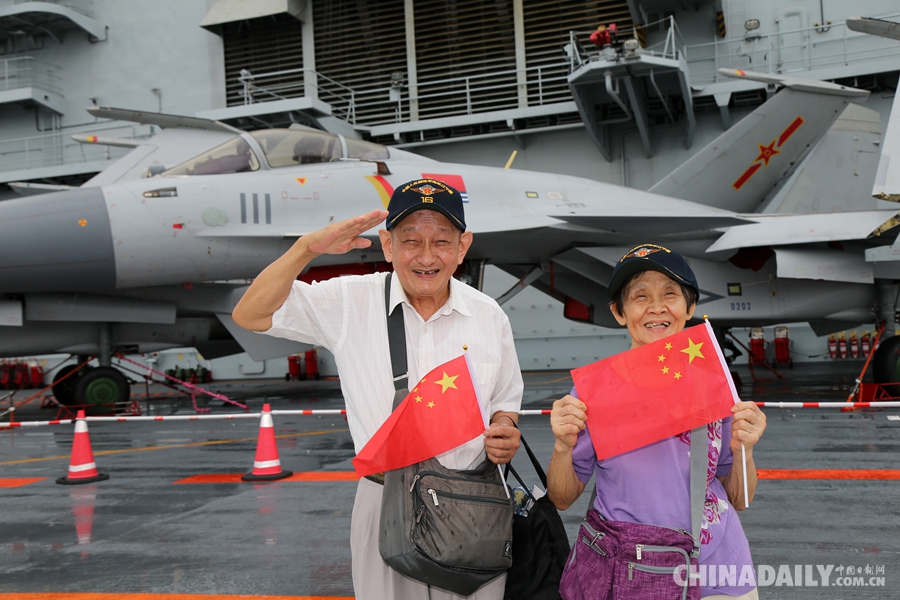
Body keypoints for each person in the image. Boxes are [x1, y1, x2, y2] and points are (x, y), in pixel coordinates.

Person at [232, 178, 523, 600]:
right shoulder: (349, 302)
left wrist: (505, 430)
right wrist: (306, 249)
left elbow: (505, 401)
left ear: (463, 247)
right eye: (411, 241)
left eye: (442, 241)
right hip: (385, 501)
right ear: (387, 245)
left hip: (472, 503)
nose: (427, 257)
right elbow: (251, 314)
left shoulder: (488, 315)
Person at [547, 244, 766, 599]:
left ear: (690, 307)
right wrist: (562, 445)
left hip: (717, 569)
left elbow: (740, 498)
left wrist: (746, 448)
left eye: (670, 294)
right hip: (627, 571)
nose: (656, 307)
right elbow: (561, 498)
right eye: (640, 296)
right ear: (619, 312)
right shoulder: (595, 392)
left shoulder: (714, 384)